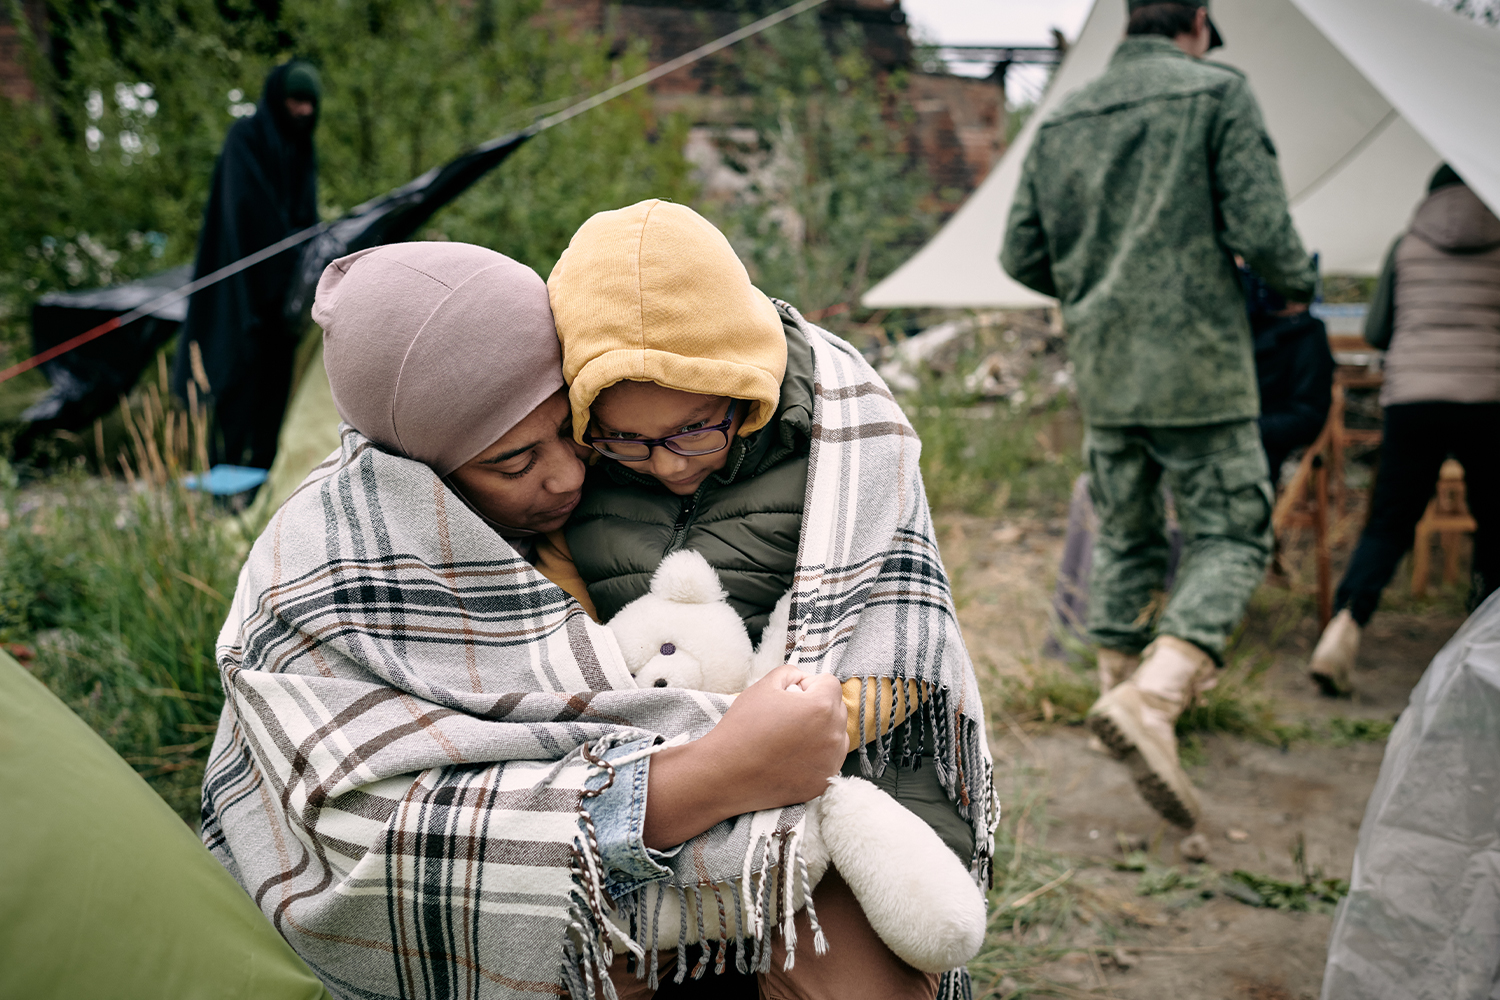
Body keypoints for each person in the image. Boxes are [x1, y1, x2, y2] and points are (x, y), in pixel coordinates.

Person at [200, 241, 988, 1000]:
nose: (570, 473)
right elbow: (385, 835)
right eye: (514, 462)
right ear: (421, 472)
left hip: (783, 809)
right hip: (623, 842)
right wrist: (711, 774)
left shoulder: (732, 448)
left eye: (573, 434)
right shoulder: (330, 570)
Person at [545, 200, 993, 999]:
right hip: (650, 787)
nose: (670, 466)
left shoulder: (848, 443)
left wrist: (778, 738)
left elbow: (900, 646)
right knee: (573, 963)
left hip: (834, 780)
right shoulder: (569, 473)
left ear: (745, 385)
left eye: (694, 430)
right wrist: (691, 765)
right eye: (626, 439)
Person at [1001, 0, 1317, 828]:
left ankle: (1117, 698)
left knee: (1129, 533)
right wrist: (1293, 283)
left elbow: (1021, 251)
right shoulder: (1215, 93)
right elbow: (1268, 234)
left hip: (1107, 368)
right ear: (1200, 21)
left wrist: (1100, 287)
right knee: (1233, 533)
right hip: (1199, 365)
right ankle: (1159, 696)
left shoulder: (1064, 114)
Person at [1308, 165, 1500, 695]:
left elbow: (1375, 331)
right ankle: (1485, 653)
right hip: (1490, 396)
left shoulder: (1407, 243)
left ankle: (1344, 626)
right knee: (1496, 525)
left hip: (1414, 398)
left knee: (1389, 522)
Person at [172, 60, 321, 472]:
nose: (305, 112)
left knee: (273, 393)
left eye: (311, 103)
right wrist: (285, 260)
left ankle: (261, 483)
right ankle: (225, 482)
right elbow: (247, 213)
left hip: (282, 306)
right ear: (278, 99)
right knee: (235, 385)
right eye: (296, 101)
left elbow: (305, 217)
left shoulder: (302, 148)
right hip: (238, 296)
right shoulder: (246, 138)